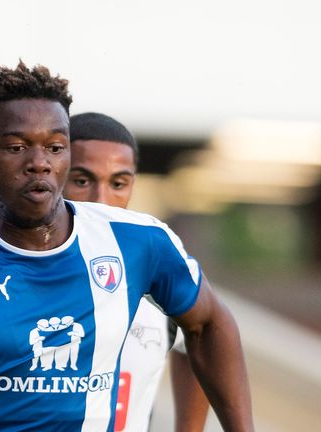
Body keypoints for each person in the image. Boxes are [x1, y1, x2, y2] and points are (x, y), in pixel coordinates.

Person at [0, 61, 253, 432]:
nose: (39, 162)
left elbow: (208, 323)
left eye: (55, 148)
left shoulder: (138, 241)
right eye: (17, 147)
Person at [65, 112, 210, 431]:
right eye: (81, 180)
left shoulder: (157, 271)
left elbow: (204, 334)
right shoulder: (11, 266)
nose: (101, 200)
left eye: (118, 183)